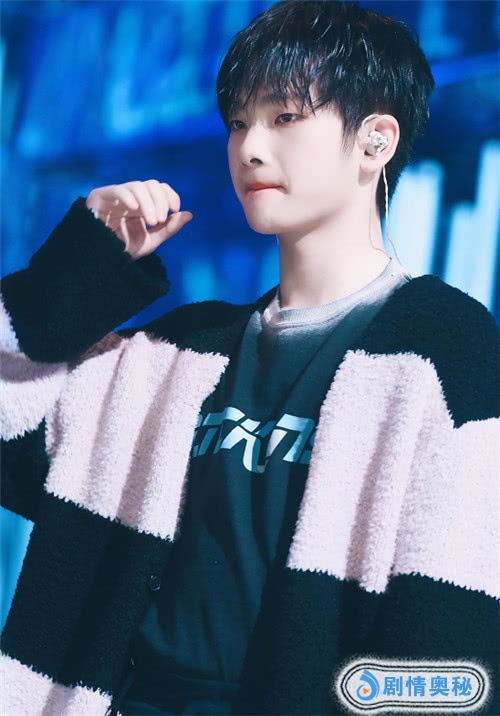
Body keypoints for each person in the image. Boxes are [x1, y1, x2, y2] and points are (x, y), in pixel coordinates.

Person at [1, 2, 498, 715]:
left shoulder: (445, 350)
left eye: (285, 117)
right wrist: (79, 269)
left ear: (376, 140)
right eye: (238, 122)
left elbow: (452, 639)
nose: (250, 148)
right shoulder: (177, 352)